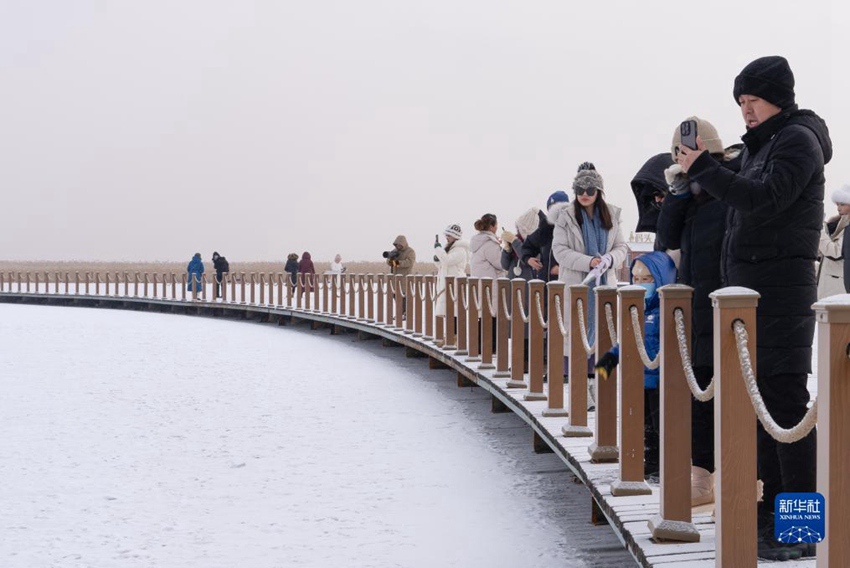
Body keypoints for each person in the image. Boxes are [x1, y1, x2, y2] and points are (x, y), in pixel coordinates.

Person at [676, 55, 831, 561]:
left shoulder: (797, 141)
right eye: (741, 102)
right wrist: (690, 173)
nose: (746, 110)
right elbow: (726, 199)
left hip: (782, 292)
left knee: (784, 408)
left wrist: (704, 168)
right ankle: (768, 521)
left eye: (753, 101)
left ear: (777, 98)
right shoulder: (761, 147)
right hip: (752, 296)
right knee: (762, 415)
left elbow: (765, 199)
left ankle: (801, 529)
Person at [655, 117, 741, 507]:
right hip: (696, 310)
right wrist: (676, 194)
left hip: (732, 307)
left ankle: (746, 478)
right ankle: (702, 477)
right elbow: (665, 240)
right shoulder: (689, 196)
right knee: (699, 398)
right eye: (680, 158)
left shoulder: (735, 186)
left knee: (738, 398)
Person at [595, 251, 677, 481]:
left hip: (662, 379)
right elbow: (629, 341)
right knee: (646, 425)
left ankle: (666, 464)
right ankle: (651, 462)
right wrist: (610, 359)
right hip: (643, 378)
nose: (641, 284)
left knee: (662, 425)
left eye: (647, 279)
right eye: (636, 279)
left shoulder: (667, 310)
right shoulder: (637, 309)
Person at [551, 162, 629, 375]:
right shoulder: (565, 217)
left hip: (605, 286)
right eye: (580, 190)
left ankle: (604, 380)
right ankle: (576, 387)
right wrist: (589, 262)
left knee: (607, 332)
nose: (585, 194)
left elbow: (621, 247)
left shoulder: (612, 215)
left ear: (599, 192)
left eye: (590, 190)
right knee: (577, 336)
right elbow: (559, 251)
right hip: (578, 285)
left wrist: (608, 260)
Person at [521, 191, 570, 282]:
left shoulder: (573, 229)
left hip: (567, 284)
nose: (555, 212)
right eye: (551, 209)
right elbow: (527, 246)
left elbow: (581, 255)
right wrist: (528, 259)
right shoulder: (544, 229)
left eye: (558, 208)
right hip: (545, 284)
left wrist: (563, 269)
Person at [817, 185, 850, 299]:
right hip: (828, 282)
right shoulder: (837, 223)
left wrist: (819, 229)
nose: (838, 208)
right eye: (837, 204)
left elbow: (836, 252)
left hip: (837, 286)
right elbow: (821, 252)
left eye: (842, 204)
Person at [434, 224, 471, 322]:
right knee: (448, 311)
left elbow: (447, 261)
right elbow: (443, 266)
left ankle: (454, 335)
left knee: (454, 312)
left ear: (455, 236)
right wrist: (437, 260)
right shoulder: (450, 249)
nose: (446, 237)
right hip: (447, 284)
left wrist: (438, 250)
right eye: (446, 235)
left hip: (454, 284)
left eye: (449, 235)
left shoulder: (460, 250)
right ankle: (450, 335)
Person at [631, 153, 675, 235]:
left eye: (660, 194)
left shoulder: (695, 222)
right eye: (652, 196)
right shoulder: (662, 224)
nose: (657, 199)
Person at [501, 207, 540, 280]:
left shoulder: (537, 244)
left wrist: (514, 241)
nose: (518, 231)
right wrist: (507, 250)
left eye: (520, 228)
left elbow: (527, 258)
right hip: (512, 286)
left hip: (529, 288)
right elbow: (505, 266)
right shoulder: (516, 242)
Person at [470, 213, 506, 279]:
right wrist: (507, 249)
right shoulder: (490, 243)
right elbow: (501, 264)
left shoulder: (479, 241)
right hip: (491, 285)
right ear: (491, 227)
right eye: (496, 225)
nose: (497, 227)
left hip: (481, 283)